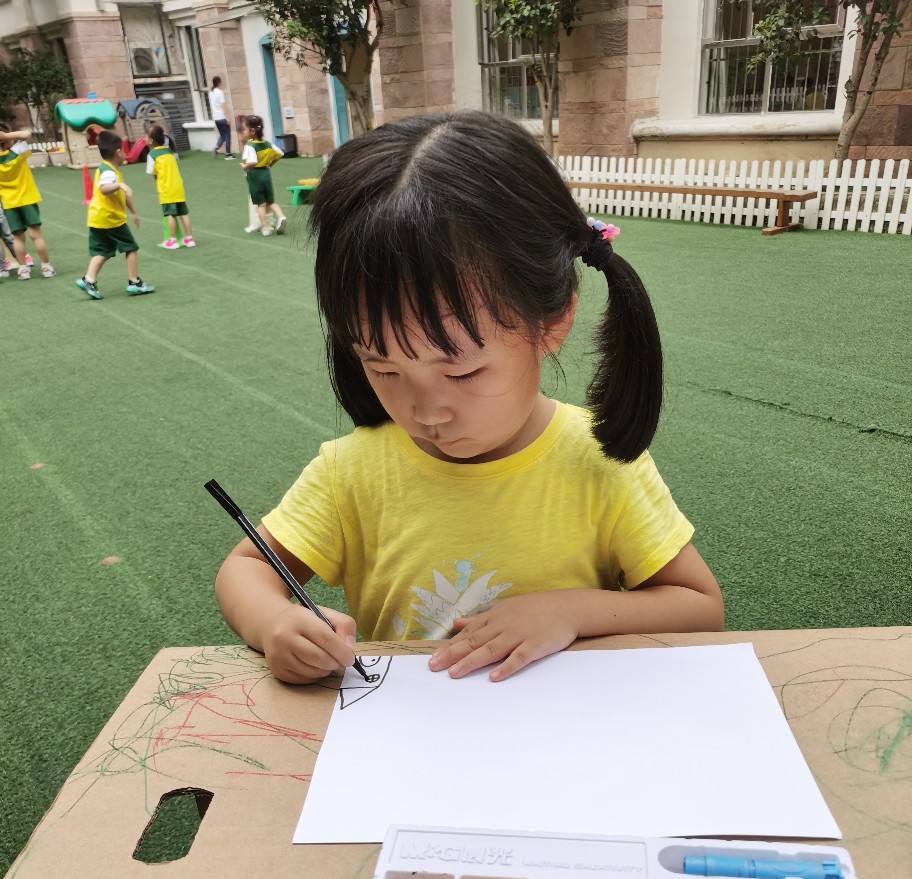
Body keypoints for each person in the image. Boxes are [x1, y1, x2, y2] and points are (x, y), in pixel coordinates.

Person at [215, 110, 723, 685]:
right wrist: (274, 621)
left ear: (552, 322)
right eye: (383, 368)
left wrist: (571, 611)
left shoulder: (597, 462)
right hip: (403, 732)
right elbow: (248, 566)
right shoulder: (352, 472)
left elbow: (699, 607)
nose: (425, 412)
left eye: (462, 372)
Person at [76, 129, 155, 300]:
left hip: (97, 218)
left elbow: (121, 196)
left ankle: (88, 279)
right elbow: (104, 189)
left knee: (103, 250)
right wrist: (120, 185)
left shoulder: (105, 169)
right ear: (119, 152)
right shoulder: (110, 172)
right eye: (124, 149)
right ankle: (134, 282)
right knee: (131, 247)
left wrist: (133, 211)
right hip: (110, 219)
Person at [0, 123, 56, 280]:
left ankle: (23, 270)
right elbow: (26, 135)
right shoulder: (17, 151)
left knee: (18, 238)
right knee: (36, 235)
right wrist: (6, 136)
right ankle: (46, 267)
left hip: (9, 203)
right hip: (27, 198)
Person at [146, 123, 195, 248]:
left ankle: (172, 241)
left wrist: (157, 186)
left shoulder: (152, 155)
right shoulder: (170, 151)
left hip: (166, 189)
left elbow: (152, 173)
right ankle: (189, 238)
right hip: (178, 187)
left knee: (170, 215)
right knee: (183, 213)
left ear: (151, 140)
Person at [239, 115, 286, 236]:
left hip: (255, 175)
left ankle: (265, 228)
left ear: (252, 131)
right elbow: (280, 153)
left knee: (261, 204)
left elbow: (253, 161)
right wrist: (271, 164)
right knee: (271, 201)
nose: (243, 132)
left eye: (244, 129)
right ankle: (281, 217)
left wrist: (245, 167)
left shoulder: (250, 146)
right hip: (266, 173)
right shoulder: (267, 144)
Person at [209, 77, 235, 160]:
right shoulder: (220, 92)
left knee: (223, 135)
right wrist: (227, 117)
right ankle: (228, 154)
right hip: (222, 117)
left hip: (216, 118)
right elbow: (223, 105)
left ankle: (216, 147)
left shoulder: (211, 92)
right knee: (227, 135)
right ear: (219, 82)